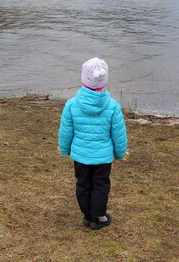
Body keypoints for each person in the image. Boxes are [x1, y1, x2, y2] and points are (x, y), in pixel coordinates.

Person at [58, 57, 128, 230]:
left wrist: (64, 149)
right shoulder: (112, 106)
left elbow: (66, 131)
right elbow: (119, 134)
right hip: (103, 158)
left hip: (80, 156)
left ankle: (87, 215)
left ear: (84, 79)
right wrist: (120, 153)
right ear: (104, 81)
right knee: (100, 185)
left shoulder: (71, 104)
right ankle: (97, 217)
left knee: (83, 184)